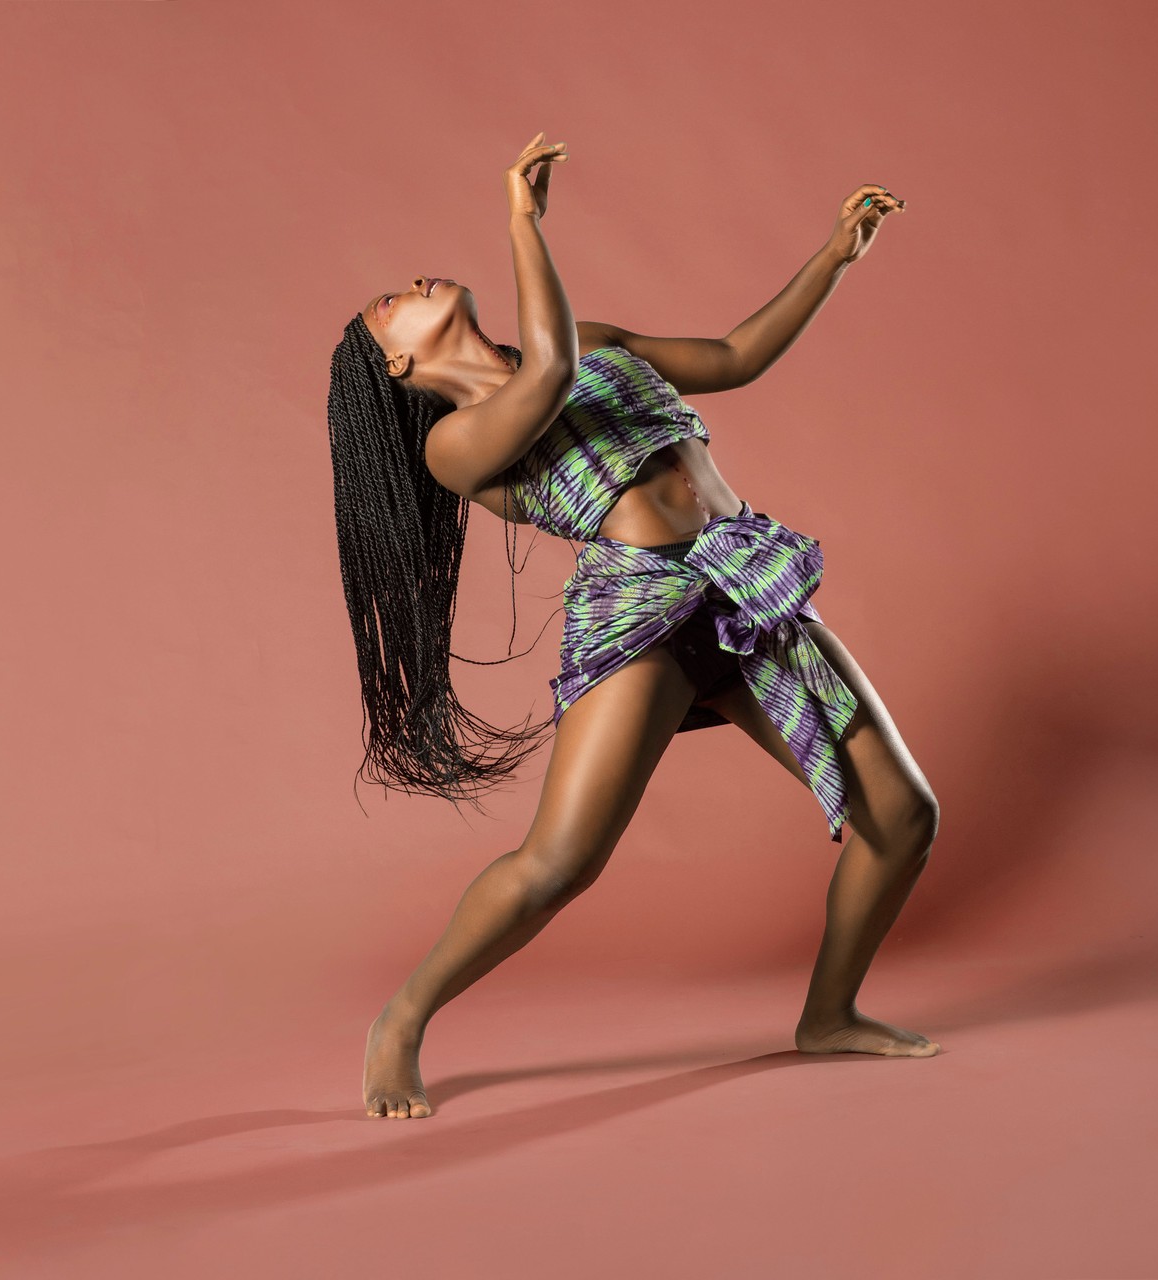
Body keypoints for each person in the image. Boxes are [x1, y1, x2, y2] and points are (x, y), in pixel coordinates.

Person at [329, 131, 940, 1120]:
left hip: (741, 580)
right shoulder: (455, 447)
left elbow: (734, 356)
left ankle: (829, 1013)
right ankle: (402, 1016)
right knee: (560, 862)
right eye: (392, 300)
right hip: (639, 613)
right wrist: (523, 222)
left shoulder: (598, 340)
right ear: (397, 361)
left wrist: (833, 254)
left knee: (905, 816)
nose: (411, 283)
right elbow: (545, 376)